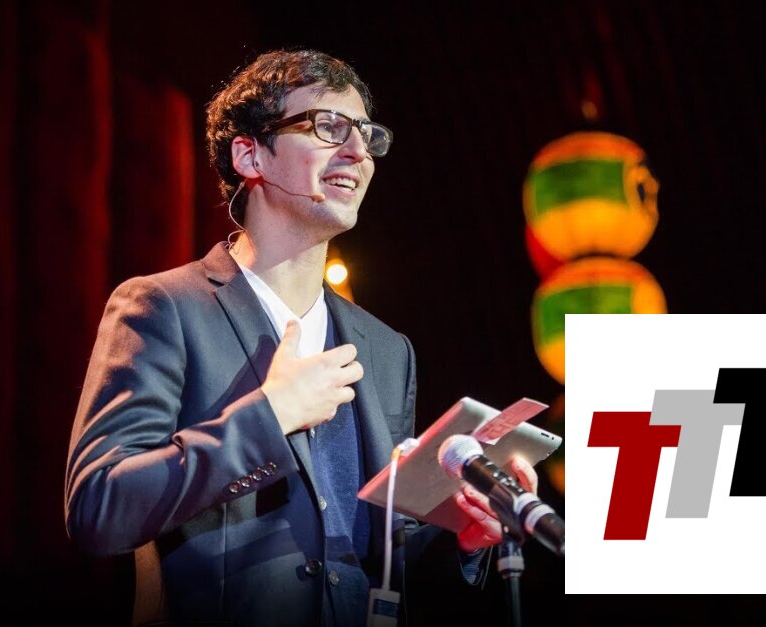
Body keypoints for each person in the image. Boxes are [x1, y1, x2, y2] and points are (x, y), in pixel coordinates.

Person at [63, 48, 539, 626]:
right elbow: (99, 507)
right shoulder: (165, 308)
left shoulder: (386, 350)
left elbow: (378, 557)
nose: (358, 151)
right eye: (328, 126)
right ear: (250, 154)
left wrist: (461, 535)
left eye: (366, 134)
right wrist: (269, 416)